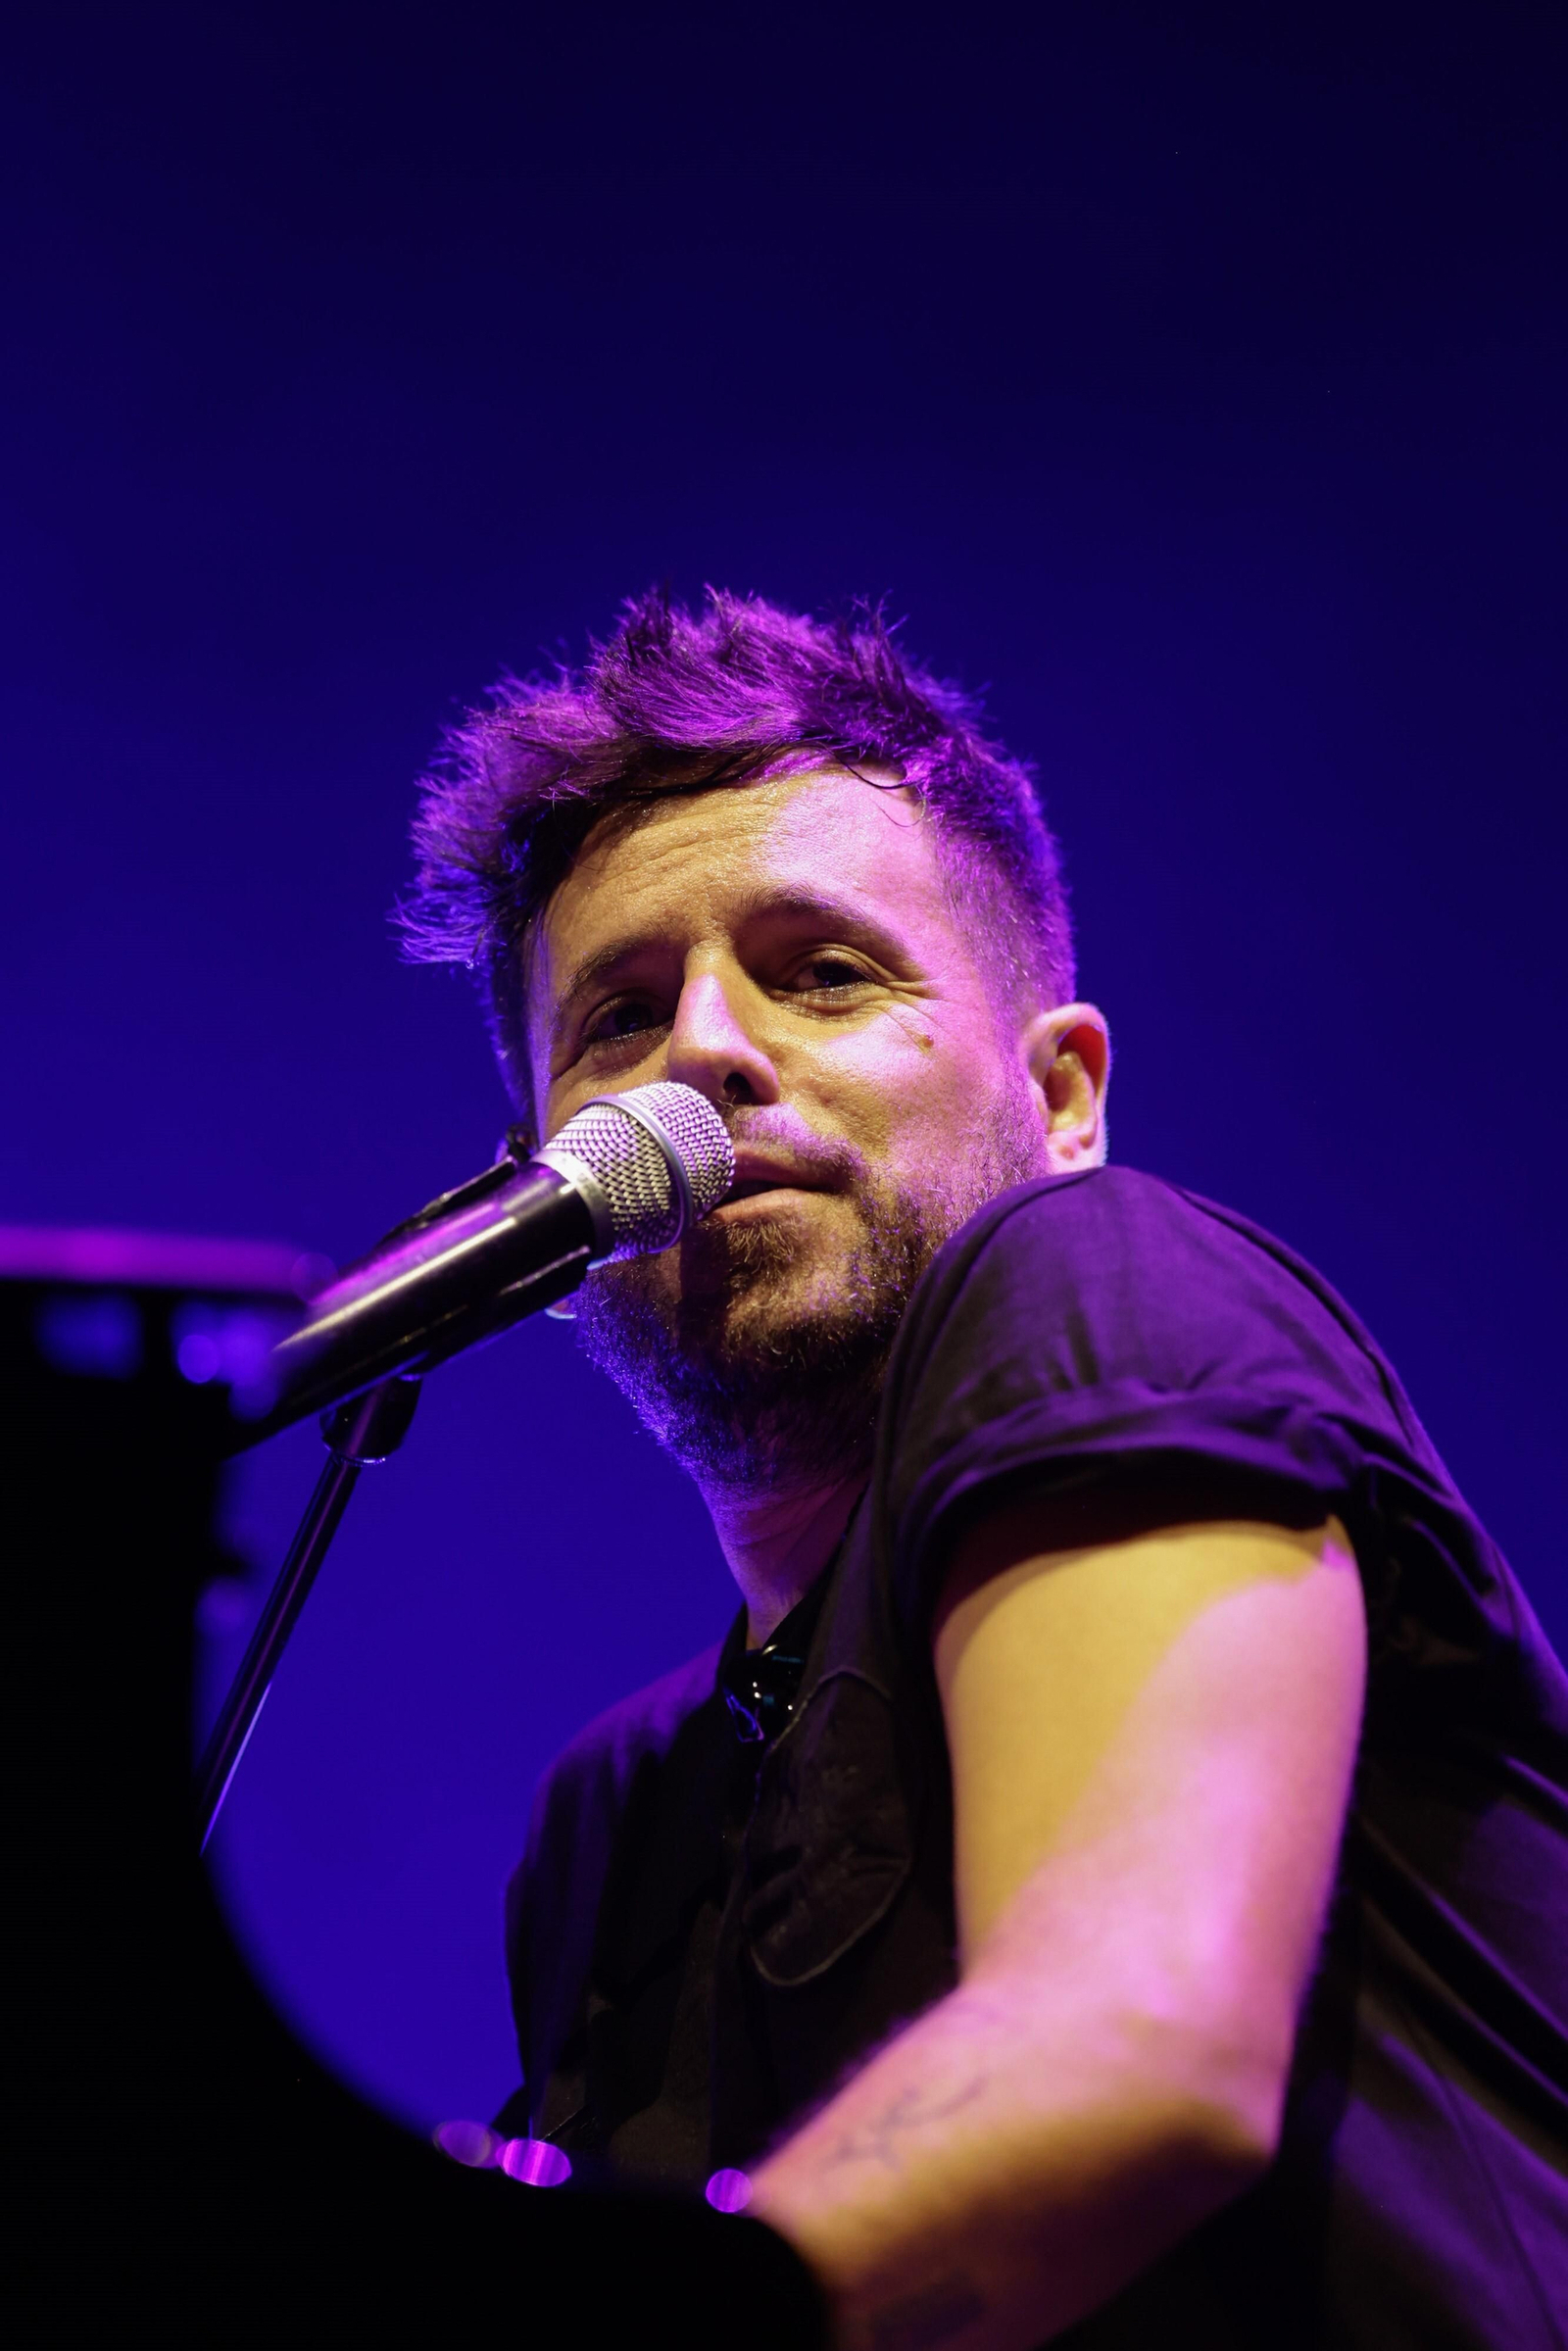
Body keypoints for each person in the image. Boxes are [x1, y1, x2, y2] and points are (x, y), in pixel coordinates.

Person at [403, 590, 1568, 2350]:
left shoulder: (1097, 1279)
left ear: (1065, 1096)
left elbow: (1128, 2059)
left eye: (825, 973)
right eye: (618, 1022)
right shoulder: (613, 1818)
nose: (705, 1055)